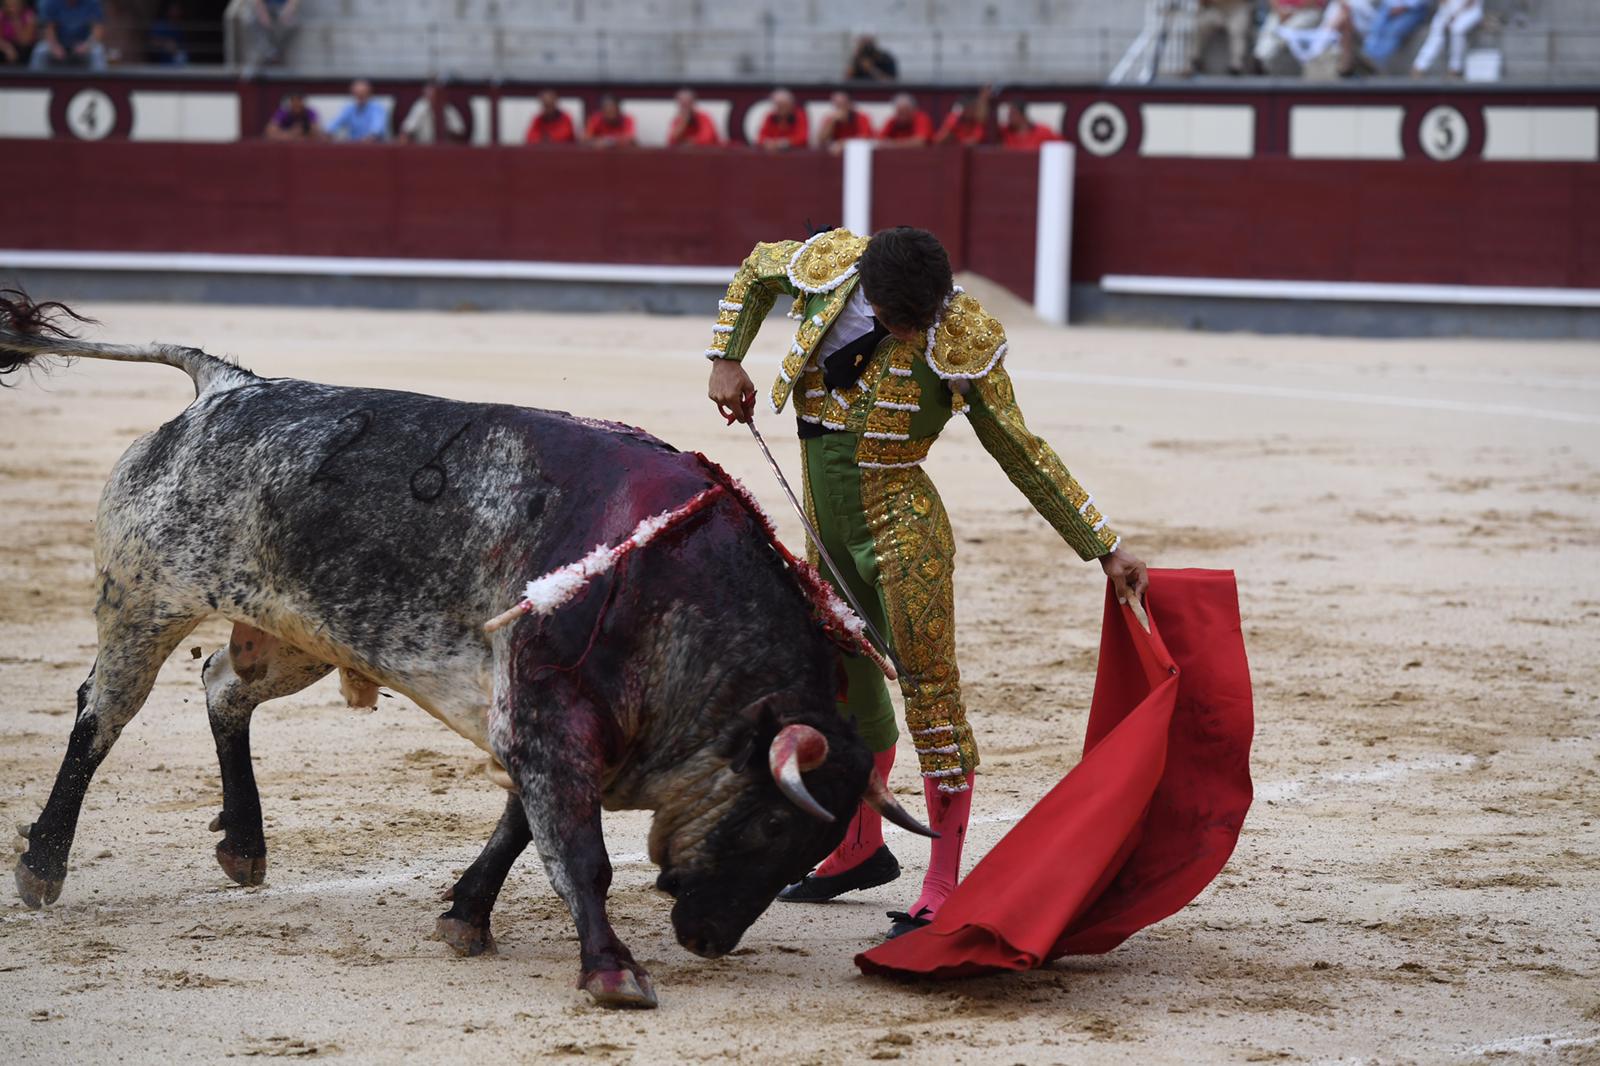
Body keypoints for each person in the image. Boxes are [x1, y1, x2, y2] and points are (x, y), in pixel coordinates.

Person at [702, 226, 1148, 940]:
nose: (905, 330)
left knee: (930, 689)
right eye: (891, 317)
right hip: (826, 522)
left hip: (901, 531)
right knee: (845, 676)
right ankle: (858, 849)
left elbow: (1019, 449)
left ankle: (943, 883)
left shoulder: (964, 333)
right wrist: (726, 359)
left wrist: (1104, 545)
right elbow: (756, 269)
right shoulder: (834, 265)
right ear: (867, 290)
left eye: (918, 319)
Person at [29, 0, 106, 71]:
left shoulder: (92, 2)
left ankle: (100, 84)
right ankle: (34, 83)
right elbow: (49, 29)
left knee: (97, 51)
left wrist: (86, 46)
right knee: (40, 51)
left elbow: (97, 30)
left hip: (83, 43)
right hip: (59, 43)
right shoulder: (51, 2)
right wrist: (55, 47)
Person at [1412, 0, 1481, 78]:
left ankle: (1455, 68)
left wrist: (1455, 14)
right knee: (1436, 31)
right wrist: (1448, 13)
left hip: (1468, 11)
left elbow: (1470, 3)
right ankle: (1419, 66)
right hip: (1447, 10)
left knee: (1457, 29)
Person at [1255, 0, 1327, 70]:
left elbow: (1312, 2)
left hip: (1307, 11)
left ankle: (1269, 62)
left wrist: (1293, 12)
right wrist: (1280, 11)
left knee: (1284, 34)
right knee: (1269, 32)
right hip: (1281, 11)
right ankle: (1260, 62)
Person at [1187, 0, 1252, 75]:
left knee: (1237, 30)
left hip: (1237, 9)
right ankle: (1195, 60)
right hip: (1217, 9)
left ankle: (1236, 66)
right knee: (1200, 25)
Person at [1364, 0, 1433, 68]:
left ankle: (1377, 64)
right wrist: (1393, 5)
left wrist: (1404, 6)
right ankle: (1366, 61)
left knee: (1393, 31)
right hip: (1389, 6)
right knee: (1376, 27)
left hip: (1414, 8)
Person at [399, 80, 466, 145]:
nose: (432, 97)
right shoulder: (420, 107)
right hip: (423, 147)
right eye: (429, 94)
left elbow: (459, 131)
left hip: (445, 149)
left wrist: (447, 127)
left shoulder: (448, 109)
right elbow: (407, 129)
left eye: (435, 94)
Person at [325, 79, 390, 143]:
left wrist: (364, 140)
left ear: (369, 93)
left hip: (374, 147)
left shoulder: (377, 108)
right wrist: (328, 133)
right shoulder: (349, 108)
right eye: (357, 93)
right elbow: (334, 124)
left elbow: (376, 132)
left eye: (363, 93)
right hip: (353, 146)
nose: (360, 96)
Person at [247, 0, 299, 71]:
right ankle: (271, 53)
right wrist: (263, 14)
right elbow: (257, 2)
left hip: (282, 9)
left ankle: (276, 54)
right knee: (253, 21)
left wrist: (288, 11)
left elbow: (293, 2)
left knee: (292, 24)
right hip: (266, 8)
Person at [755, 88, 808, 152]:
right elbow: (760, 138)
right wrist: (768, 143)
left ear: (791, 105)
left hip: (794, 154)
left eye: (784, 105)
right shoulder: (770, 117)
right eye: (778, 105)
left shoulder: (799, 115)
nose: (781, 109)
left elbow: (802, 138)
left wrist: (782, 143)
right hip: (773, 154)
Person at [0, 0, 38, 66]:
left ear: (21, 5)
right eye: (9, 6)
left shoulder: (29, 16)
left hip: (24, 50)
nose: (12, 8)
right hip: (5, 48)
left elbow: (24, 41)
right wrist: (8, 49)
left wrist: (15, 21)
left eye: (15, 5)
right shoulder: (1, 16)